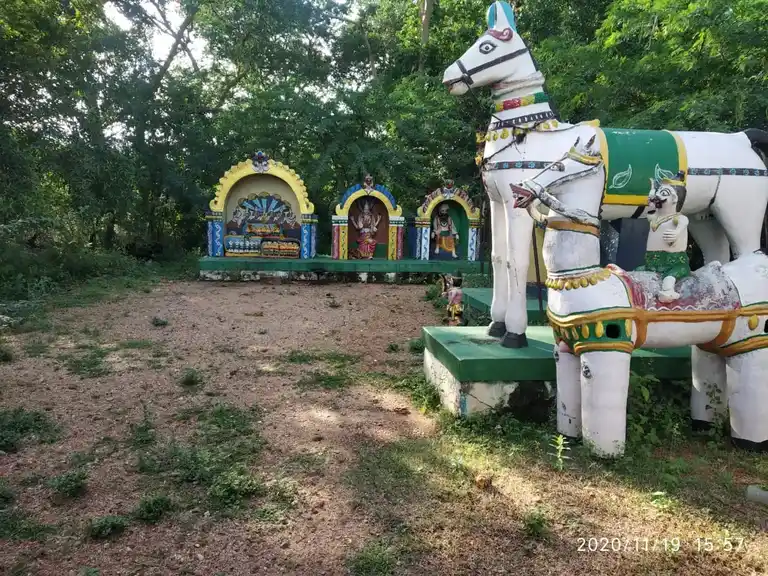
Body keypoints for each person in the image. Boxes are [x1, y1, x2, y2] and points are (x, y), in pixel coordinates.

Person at [637, 175, 690, 302]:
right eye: (658, 192)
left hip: (674, 264)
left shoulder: (678, 218)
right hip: (652, 263)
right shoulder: (655, 218)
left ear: (674, 199)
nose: (657, 196)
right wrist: (651, 196)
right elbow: (651, 209)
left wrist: (677, 232)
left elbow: (684, 222)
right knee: (635, 273)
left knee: (668, 279)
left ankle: (668, 292)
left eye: (664, 193)